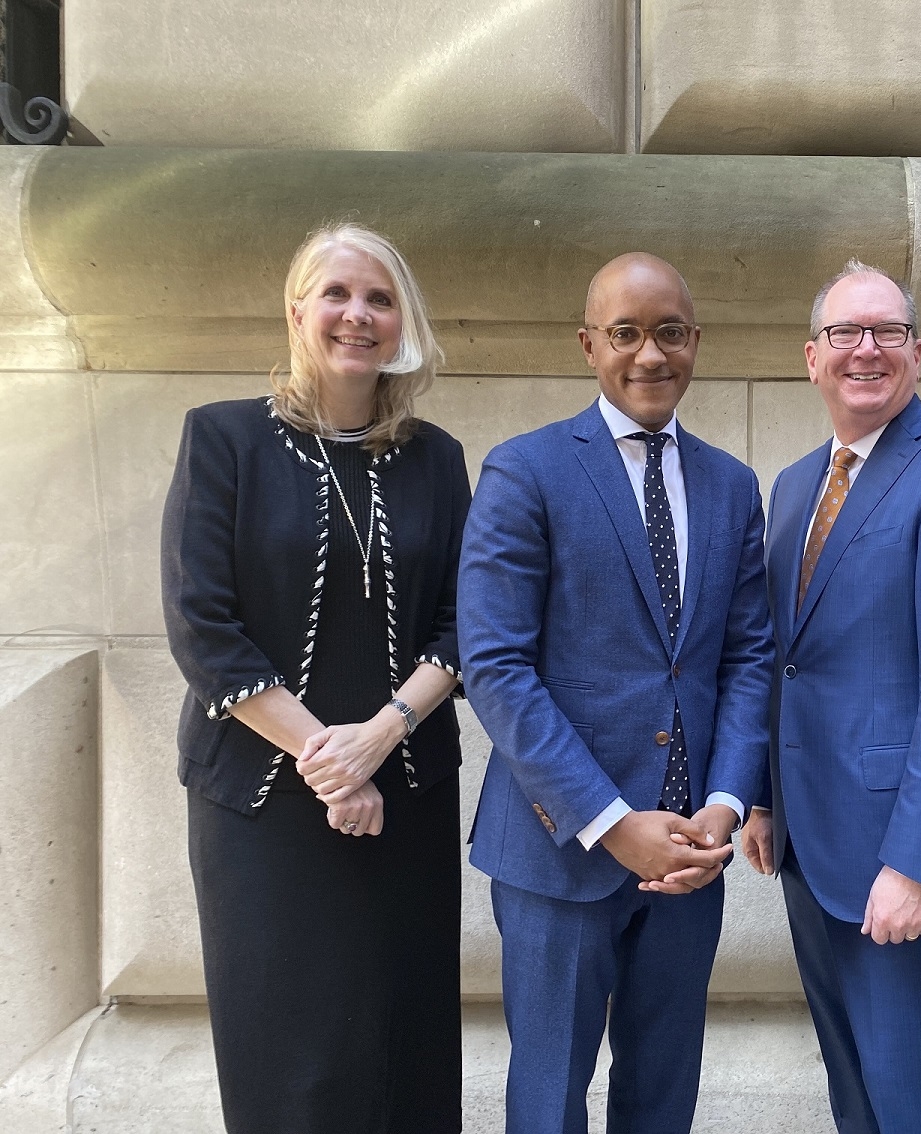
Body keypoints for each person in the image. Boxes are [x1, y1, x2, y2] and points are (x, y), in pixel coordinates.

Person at [161, 223, 471, 1133]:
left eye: (379, 299)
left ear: (403, 323)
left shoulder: (436, 458)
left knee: (399, 1049)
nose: (357, 315)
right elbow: (201, 623)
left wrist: (377, 739)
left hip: (404, 797)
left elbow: (464, 622)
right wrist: (327, 761)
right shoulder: (223, 440)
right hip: (260, 807)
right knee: (289, 1057)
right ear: (297, 311)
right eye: (336, 293)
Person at [458, 252, 774, 1134]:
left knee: (663, 1094)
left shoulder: (731, 485)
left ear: (695, 342)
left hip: (688, 857)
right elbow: (495, 666)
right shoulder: (526, 471)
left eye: (669, 332)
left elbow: (747, 658)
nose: (649, 354)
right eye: (626, 333)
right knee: (550, 1098)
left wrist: (721, 802)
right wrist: (609, 821)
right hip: (561, 855)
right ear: (589, 344)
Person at [741, 259, 921, 1132]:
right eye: (845, 333)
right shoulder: (794, 485)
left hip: (895, 848)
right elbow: (782, 658)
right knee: (853, 1088)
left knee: (911, 1096)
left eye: (888, 332)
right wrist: (758, 796)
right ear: (811, 357)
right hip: (803, 838)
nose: (867, 349)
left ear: (917, 351)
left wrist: (914, 863)